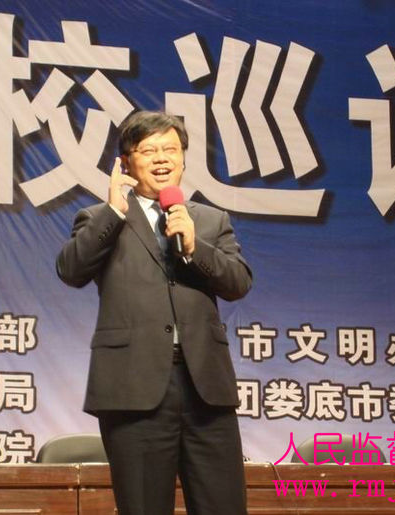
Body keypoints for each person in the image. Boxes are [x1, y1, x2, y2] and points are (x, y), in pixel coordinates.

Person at [56, 110, 252, 514]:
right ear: (126, 163)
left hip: (206, 388)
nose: (162, 158)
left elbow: (238, 283)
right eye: (149, 150)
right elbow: (71, 271)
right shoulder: (101, 218)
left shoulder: (209, 221)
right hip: (133, 389)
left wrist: (195, 247)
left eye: (171, 149)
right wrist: (114, 211)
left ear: (183, 159)